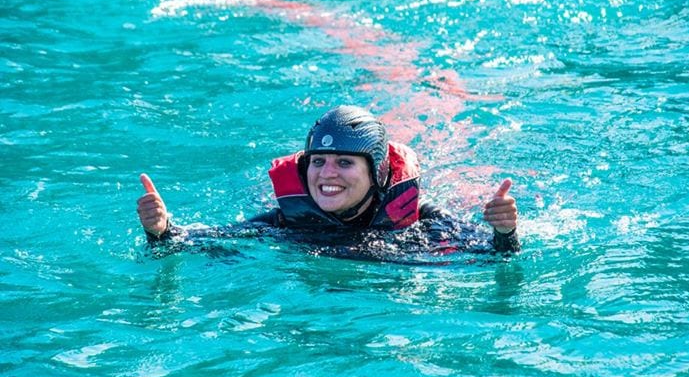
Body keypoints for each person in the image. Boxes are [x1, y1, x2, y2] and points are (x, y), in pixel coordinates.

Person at [137, 105, 519, 256]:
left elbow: (494, 257)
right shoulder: (287, 220)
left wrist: (505, 232)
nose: (327, 173)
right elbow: (198, 241)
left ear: (379, 173)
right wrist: (161, 229)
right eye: (318, 161)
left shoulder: (421, 221)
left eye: (345, 163)